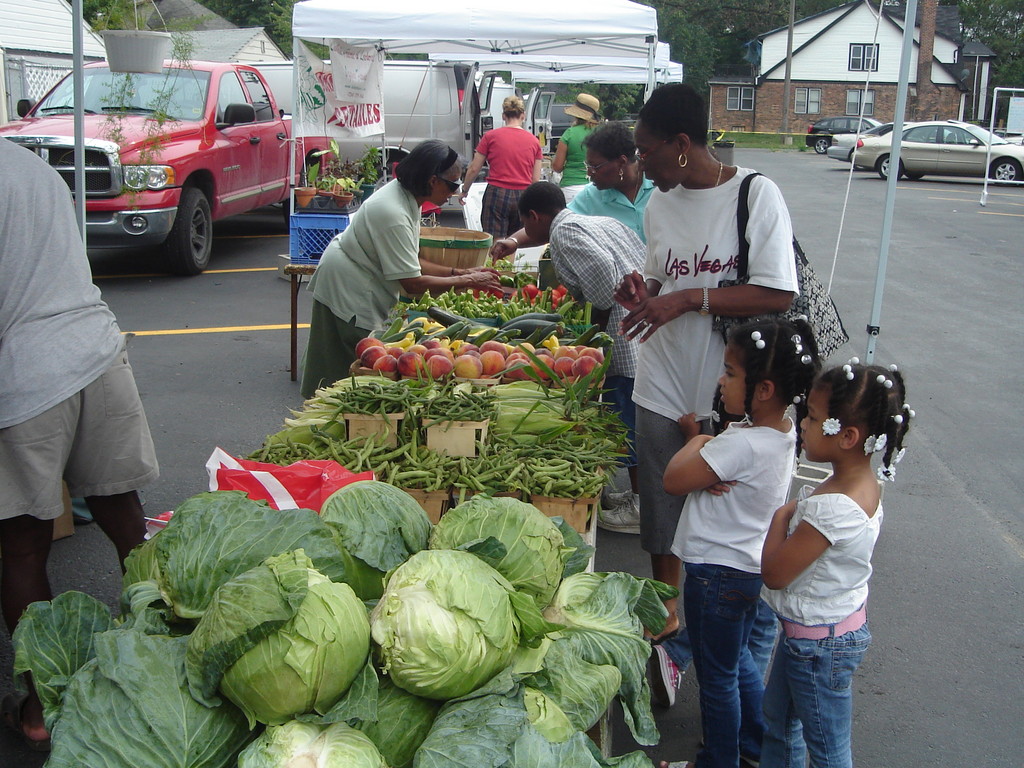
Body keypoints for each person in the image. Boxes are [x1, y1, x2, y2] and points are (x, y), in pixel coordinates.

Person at [613, 82, 798, 646]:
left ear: (682, 144)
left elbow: (778, 292)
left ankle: (726, 613)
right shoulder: (660, 204)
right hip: (662, 371)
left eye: (646, 152)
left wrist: (689, 299)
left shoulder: (755, 194)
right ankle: (667, 608)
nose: (641, 166)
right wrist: (644, 292)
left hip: (729, 382)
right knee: (661, 497)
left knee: (727, 506)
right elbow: (661, 276)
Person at [0, 137, 160, 751]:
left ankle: (40, 709)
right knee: (125, 516)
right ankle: (161, 665)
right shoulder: (33, 169)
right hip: (96, 348)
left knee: (22, 545)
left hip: (26, 373)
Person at [656, 318, 820, 768]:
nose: (720, 381)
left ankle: (717, 759)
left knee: (716, 678)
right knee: (736, 662)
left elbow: (673, 479)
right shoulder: (782, 432)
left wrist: (701, 439)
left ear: (763, 389)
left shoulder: (739, 445)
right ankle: (752, 744)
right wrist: (712, 451)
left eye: (729, 373)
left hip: (714, 575)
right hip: (745, 572)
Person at [758, 362, 912, 768]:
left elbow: (774, 575)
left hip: (817, 648)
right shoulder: (862, 483)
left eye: (812, 417)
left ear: (847, 436)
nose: (803, 424)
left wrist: (780, 518)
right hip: (823, 632)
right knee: (779, 720)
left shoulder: (833, 509)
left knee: (827, 748)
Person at [489, 182, 644, 533]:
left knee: (626, 420)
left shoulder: (564, 234)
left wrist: (591, 337)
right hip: (640, 326)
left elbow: (604, 280)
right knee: (628, 416)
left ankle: (639, 506)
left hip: (623, 335)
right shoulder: (588, 221)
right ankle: (634, 497)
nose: (525, 230)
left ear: (534, 216)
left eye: (525, 223)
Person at [301, 140, 502, 397]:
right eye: (453, 185)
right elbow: (412, 282)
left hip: (358, 276)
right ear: (432, 181)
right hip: (349, 288)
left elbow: (411, 260)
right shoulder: (393, 212)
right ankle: (322, 411)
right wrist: (468, 281)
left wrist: (459, 273)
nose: (455, 191)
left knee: (349, 367)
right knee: (338, 373)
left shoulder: (407, 197)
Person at [459, 95, 542, 240]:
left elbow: (474, 168)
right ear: (523, 115)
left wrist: (465, 190)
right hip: (522, 195)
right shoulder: (534, 141)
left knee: (494, 242)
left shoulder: (490, 137)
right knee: (514, 242)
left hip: (497, 193)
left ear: (503, 115)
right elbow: (535, 179)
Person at [568, 120, 655, 242]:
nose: (589, 173)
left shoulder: (659, 185)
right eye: (588, 166)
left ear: (622, 162)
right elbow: (561, 225)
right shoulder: (590, 197)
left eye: (595, 167)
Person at [551, 93, 601, 203]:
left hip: (571, 187)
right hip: (596, 187)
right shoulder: (602, 133)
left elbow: (557, 167)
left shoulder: (569, 133)